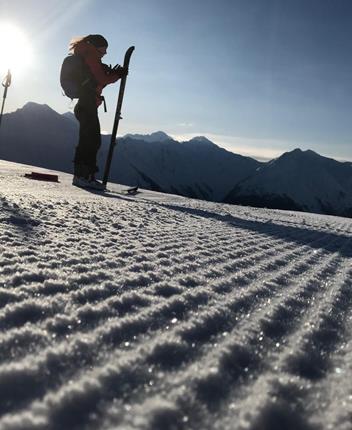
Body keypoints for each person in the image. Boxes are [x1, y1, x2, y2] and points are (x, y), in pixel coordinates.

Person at [69, 34, 127, 190]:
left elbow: (96, 81)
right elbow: (101, 79)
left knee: (90, 140)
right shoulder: (91, 54)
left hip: (85, 104)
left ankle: (85, 176)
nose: (105, 53)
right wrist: (116, 75)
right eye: (104, 49)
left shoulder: (85, 54)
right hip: (87, 104)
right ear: (96, 46)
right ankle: (83, 176)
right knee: (90, 141)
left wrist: (112, 74)